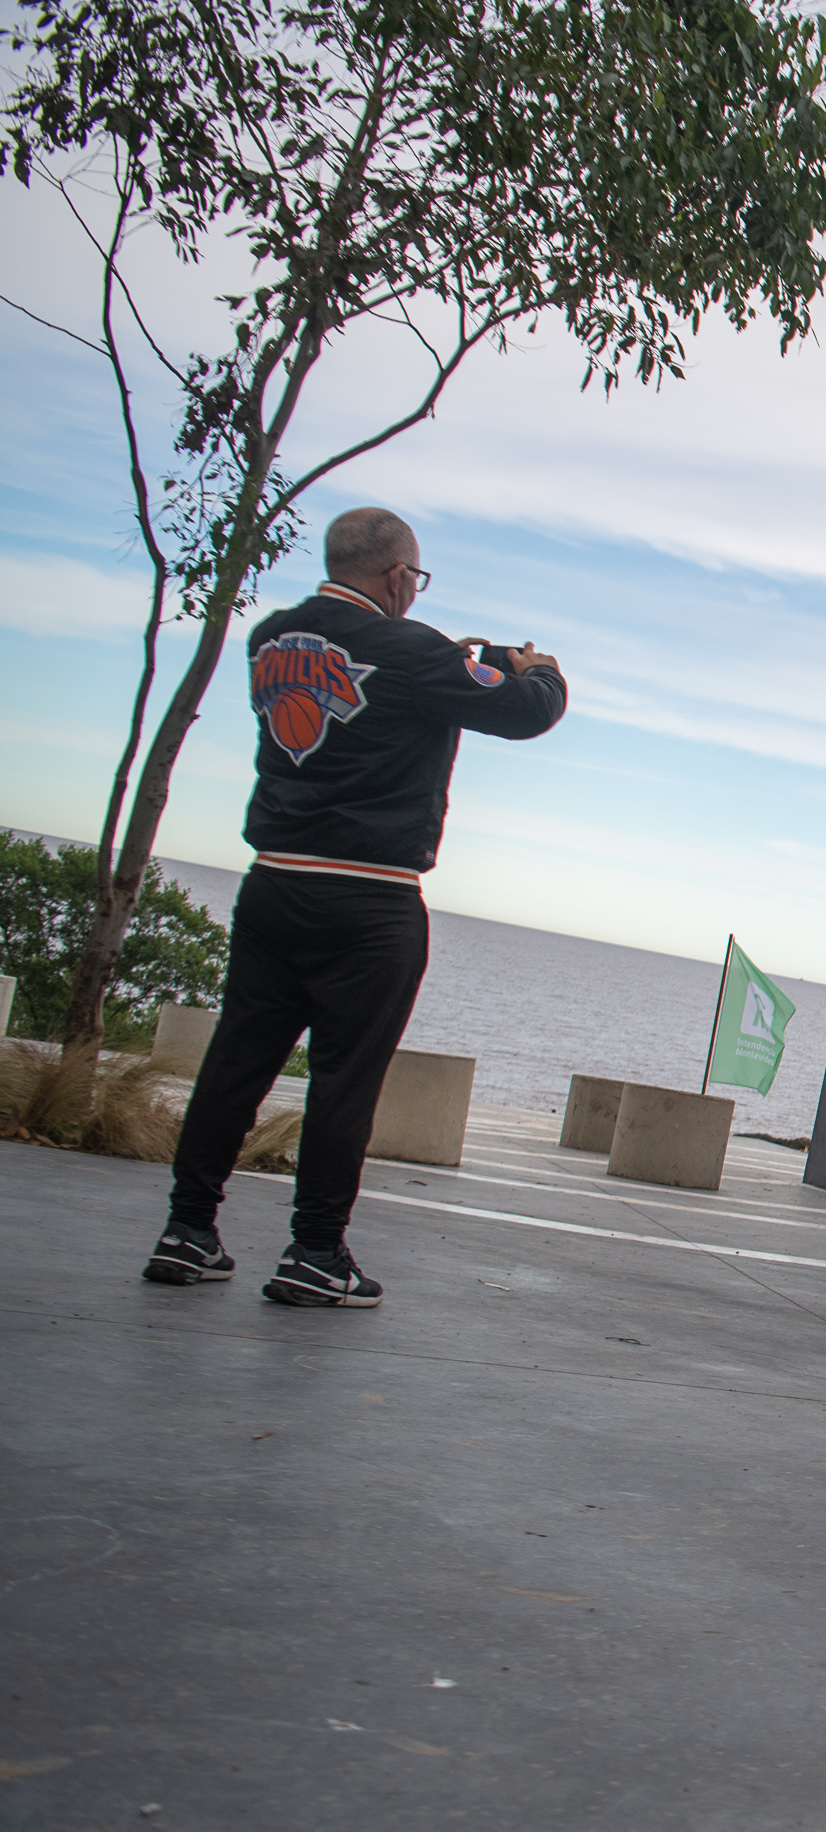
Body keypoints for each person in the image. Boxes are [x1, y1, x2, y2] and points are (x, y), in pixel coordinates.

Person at [143, 507, 567, 1305]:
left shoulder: (270, 639)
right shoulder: (413, 650)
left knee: (237, 1062)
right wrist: (534, 666)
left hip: (273, 881)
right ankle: (314, 1252)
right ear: (399, 576)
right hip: (370, 900)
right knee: (344, 1079)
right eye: (416, 578)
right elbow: (527, 711)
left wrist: (452, 663)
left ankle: (187, 1230)